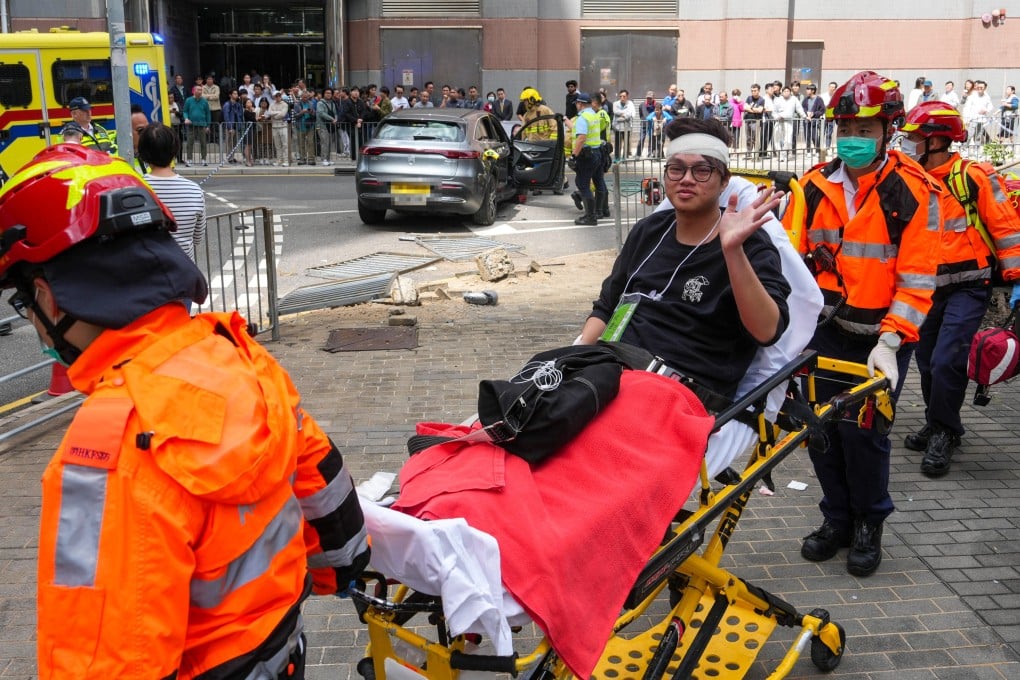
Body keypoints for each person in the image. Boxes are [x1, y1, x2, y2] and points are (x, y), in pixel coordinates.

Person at [0, 144, 370, 678]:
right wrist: (341, 569)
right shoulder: (237, 355)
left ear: (48, 299)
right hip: (283, 651)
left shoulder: (104, 454)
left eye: (24, 306)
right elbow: (322, 482)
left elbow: (104, 658)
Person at [783, 71, 941, 577]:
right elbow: (787, 265)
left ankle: (869, 522)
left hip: (880, 338)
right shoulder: (811, 187)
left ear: (888, 130)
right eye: (845, 128)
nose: (852, 138)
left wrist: (891, 342)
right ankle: (837, 519)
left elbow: (917, 280)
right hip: (823, 332)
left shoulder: (914, 191)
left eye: (864, 130)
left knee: (865, 435)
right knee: (820, 430)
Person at [578, 119, 790, 401]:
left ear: (724, 180)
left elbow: (767, 331)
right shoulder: (649, 231)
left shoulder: (750, 244)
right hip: (611, 372)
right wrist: (575, 357)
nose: (686, 179)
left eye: (702, 170)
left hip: (681, 394)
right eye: (676, 169)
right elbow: (607, 306)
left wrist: (732, 251)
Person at [897, 102, 1020, 476]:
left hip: (969, 285)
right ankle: (937, 421)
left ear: (936, 141)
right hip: (926, 288)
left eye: (914, 138)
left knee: (947, 360)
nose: (906, 144)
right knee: (926, 361)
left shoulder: (973, 176)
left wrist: (1017, 278)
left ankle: (945, 432)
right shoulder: (910, 179)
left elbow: (1005, 227)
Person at [138, 123, 207, 270]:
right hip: (184, 272)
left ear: (143, 152)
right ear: (175, 149)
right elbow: (197, 238)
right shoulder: (194, 190)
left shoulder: (136, 188)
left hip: (147, 274)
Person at [568, 92, 608, 226]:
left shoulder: (583, 117)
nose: (576, 106)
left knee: (583, 184)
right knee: (598, 181)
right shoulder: (594, 115)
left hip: (587, 155)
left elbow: (581, 138)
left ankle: (590, 217)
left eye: (577, 103)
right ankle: (598, 211)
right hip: (597, 153)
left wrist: (574, 155)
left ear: (580, 104)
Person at [183, 85, 211, 166]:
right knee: (189, 143)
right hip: (191, 125)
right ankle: (189, 159)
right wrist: (186, 118)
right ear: (194, 91)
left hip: (202, 125)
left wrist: (208, 125)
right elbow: (185, 111)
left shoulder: (204, 101)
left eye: (201, 90)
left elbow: (208, 113)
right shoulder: (188, 100)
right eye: (198, 90)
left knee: (203, 143)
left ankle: (204, 159)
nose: (200, 91)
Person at [222, 88, 245, 163]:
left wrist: (240, 125)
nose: (236, 95)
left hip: (236, 126)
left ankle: (232, 156)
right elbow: (226, 117)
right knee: (229, 142)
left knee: (234, 143)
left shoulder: (238, 105)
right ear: (230, 95)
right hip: (230, 126)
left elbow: (240, 115)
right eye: (234, 94)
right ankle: (229, 158)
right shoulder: (227, 104)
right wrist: (230, 127)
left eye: (237, 94)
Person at [611, 90, 636, 161]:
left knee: (626, 143)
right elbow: (615, 112)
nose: (622, 98)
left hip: (626, 127)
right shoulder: (615, 103)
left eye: (624, 96)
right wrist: (625, 114)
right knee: (617, 143)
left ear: (627, 96)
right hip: (617, 127)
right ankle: (617, 157)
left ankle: (625, 157)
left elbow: (631, 114)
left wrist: (623, 116)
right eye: (620, 96)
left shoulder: (630, 104)